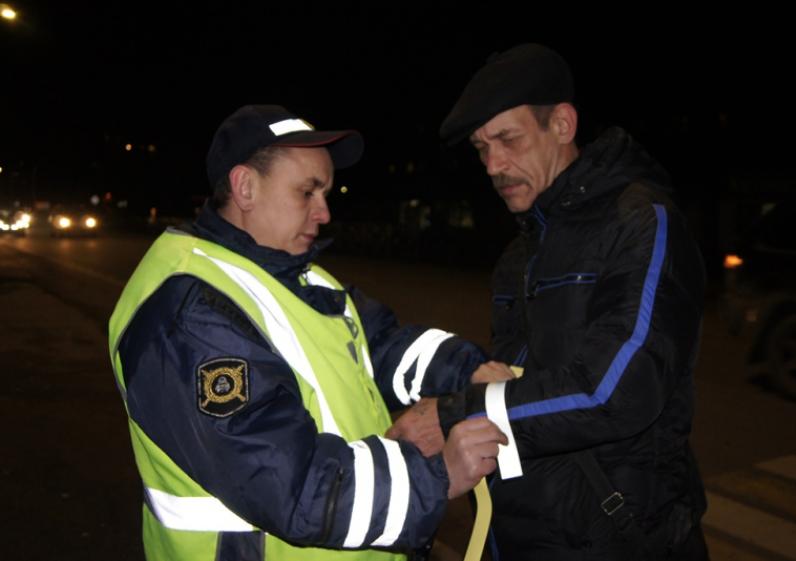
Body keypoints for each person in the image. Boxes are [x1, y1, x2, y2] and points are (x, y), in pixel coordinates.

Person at [107, 104, 507, 561]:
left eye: (326, 193)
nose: (325, 212)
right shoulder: (189, 309)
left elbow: (381, 345)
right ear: (245, 187)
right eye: (307, 192)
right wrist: (437, 475)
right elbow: (289, 485)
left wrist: (469, 371)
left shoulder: (293, 275)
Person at [387, 44, 709, 560]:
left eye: (508, 139)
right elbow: (524, 381)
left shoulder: (641, 222)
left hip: (616, 540)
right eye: (481, 148)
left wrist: (452, 415)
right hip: (518, 536)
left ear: (561, 124)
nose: (493, 165)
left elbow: (614, 392)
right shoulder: (519, 252)